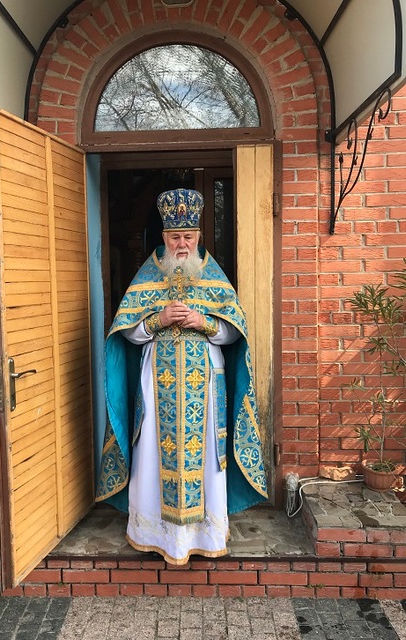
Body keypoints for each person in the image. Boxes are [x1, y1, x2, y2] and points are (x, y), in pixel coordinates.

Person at [96, 188, 267, 565]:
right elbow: (125, 331)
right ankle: (153, 533)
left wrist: (205, 323)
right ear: (164, 237)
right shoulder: (148, 274)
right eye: (175, 237)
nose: (182, 244)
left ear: (199, 235)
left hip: (205, 385)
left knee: (204, 457)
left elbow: (235, 332)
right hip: (155, 384)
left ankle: (204, 535)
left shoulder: (213, 274)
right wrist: (156, 321)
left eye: (189, 236)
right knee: (152, 452)